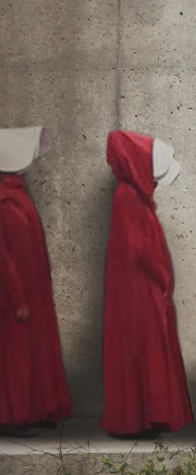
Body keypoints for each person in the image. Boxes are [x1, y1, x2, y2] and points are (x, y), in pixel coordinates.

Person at [101, 130, 192, 436]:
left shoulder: (132, 196)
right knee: (145, 350)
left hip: (144, 291)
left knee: (147, 350)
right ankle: (142, 417)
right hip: (141, 293)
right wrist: (161, 277)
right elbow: (141, 249)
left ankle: (147, 415)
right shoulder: (129, 198)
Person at [0, 126, 72, 430]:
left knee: (34, 352)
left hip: (33, 293)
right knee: (15, 357)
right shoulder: (5, 202)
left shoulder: (18, 197)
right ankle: (14, 416)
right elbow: (3, 259)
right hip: (12, 297)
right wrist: (17, 299)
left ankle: (38, 409)